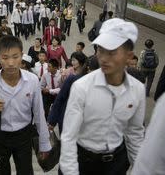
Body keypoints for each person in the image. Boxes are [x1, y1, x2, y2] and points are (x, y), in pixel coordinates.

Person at [60, 18, 145, 175]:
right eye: (100, 50)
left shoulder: (137, 90)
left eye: (112, 52)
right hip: (83, 161)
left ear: (129, 56)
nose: (104, 58)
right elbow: (68, 137)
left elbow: (134, 133)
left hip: (116, 164)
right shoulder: (82, 87)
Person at [0, 35, 52, 174]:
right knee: (0, 171)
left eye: (15, 57)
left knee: (25, 171)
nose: (11, 63)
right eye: (5, 58)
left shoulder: (32, 80)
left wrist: (44, 143)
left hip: (23, 136)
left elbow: (39, 113)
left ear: (22, 56)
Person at [48, 52, 89, 134]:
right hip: (67, 117)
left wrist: (52, 121)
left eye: (74, 60)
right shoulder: (71, 77)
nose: (72, 62)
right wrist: (52, 120)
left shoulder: (85, 79)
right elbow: (60, 98)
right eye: (72, 60)